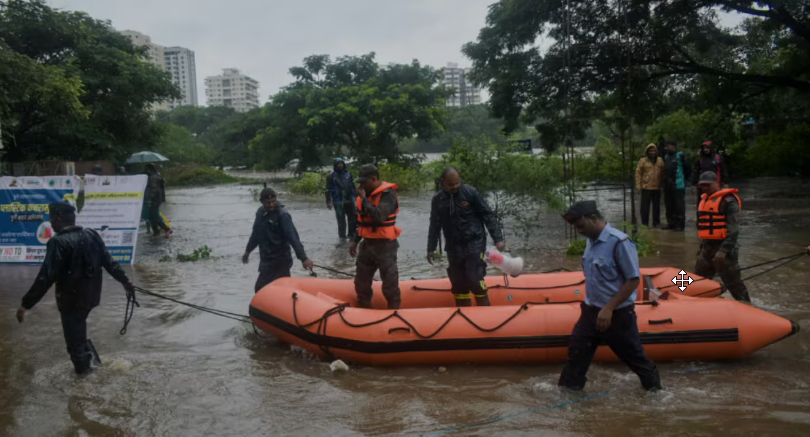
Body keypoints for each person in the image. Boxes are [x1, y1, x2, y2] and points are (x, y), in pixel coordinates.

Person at [16, 202, 135, 375]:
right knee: (79, 333)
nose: (50, 223)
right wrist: (125, 281)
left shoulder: (57, 242)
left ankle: (87, 381)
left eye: (51, 219)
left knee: (74, 345)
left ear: (58, 218)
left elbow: (45, 277)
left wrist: (25, 304)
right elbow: (109, 262)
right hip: (91, 297)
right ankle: (96, 367)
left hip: (71, 301)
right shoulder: (91, 234)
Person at [558, 201, 662, 392]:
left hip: (617, 315)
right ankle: (568, 398)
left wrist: (609, 308)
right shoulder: (591, 241)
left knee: (634, 358)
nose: (578, 231)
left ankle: (656, 394)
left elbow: (633, 280)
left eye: (580, 226)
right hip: (590, 312)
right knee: (576, 354)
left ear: (594, 218)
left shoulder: (619, 242)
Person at [427, 167, 504, 307]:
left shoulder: (471, 193)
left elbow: (487, 215)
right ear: (443, 182)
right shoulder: (438, 199)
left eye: (457, 183)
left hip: (474, 242)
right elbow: (434, 225)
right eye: (451, 184)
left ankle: (486, 310)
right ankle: (463, 316)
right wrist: (431, 248)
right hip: (453, 245)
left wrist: (498, 238)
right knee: (458, 282)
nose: (455, 187)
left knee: (474, 278)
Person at [349, 164, 402, 309]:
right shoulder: (364, 197)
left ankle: (394, 311)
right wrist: (355, 241)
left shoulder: (388, 195)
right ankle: (365, 309)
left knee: (390, 283)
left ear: (374, 179)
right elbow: (361, 222)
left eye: (364, 182)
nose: (361, 186)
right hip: (367, 245)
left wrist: (364, 200)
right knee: (361, 282)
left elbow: (380, 217)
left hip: (386, 246)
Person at [694, 171, 751, 302]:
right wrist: (702, 247)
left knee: (735, 285)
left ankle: (748, 308)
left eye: (708, 185)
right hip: (707, 248)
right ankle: (679, 296)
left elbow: (734, 229)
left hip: (724, 250)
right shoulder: (704, 200)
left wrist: (723, 250)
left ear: (716, 183)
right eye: (702, 185)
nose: (705, 188)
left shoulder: (729, 201)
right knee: (696, 280)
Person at [243, 188, 313, 293]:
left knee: (267, 289)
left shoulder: (282, 215)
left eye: (273, 202)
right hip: (266, 260)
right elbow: (255, 235)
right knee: (262, 289)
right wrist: (248, 251)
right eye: (268, 203)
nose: (271, 205)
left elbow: (293, 238)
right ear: (262, 202)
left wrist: (303, 258)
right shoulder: (260, 213)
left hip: (281, 259)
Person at [662, 139, 690, 231]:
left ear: (674, 146)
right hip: (668, 184)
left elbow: (687, 169)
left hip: (678, 184)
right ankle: (671, 223)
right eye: (666, 146)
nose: (666, 148)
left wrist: (685, 181)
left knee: (679, 205)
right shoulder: (666, 157)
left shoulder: (680, 156)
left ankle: (680, 225)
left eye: (668, 146)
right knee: (669, 205)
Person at [325, 158, 357, 240]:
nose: (340, 165)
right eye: (338, 164)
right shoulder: (331, 177)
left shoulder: (349, 174)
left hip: (349, 199)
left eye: (341, 163)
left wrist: (356, 197)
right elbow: (328, 190)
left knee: (353, 217)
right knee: (341, 221)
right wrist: (328, 201)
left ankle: (352, 234)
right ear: (335, 165)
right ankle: (342, 237)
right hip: (338, 201)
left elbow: (353, 186)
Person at [692, 141, 729, 208]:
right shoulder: (700, 159)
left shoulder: (718, 158)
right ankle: (700, 216)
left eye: (707, 148)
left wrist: (725, 182)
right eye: (704, 148)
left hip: (715, 185)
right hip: (702, 186)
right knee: (701, 202)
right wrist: (695, 183)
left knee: (716, 202)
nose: (705, 150)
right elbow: (696, 172)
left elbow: (723, 170)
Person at [635, 143, 665, 228]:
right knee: (644, 207)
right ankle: (645, 224)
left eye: (654, 151)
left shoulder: (660, 160)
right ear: (647, 152)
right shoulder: (642, 161)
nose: (652, 152)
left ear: (656, 151)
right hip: (646, 187)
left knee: (657, 207)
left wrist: (663, 185)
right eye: (650, 151)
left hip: (657, 187)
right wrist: (638, 186)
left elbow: (663, 173)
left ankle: (656, 223)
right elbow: (638, 174)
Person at [145, 164, 172, 238]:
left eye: (147, 169)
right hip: (158, 198)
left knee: (153, 216)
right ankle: (156, 231)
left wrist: (149, 199)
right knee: (151, 216)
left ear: (150, 169)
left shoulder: (153, 177)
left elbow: (153, 189)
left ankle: (166, 229)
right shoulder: (157, 175)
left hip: (154, 199)